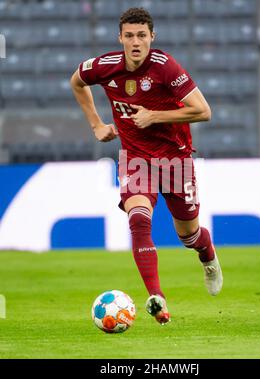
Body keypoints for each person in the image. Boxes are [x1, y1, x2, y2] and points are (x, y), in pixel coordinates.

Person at [70, 7, 223, 325]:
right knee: (138, 220)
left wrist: (155, 116)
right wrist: (97, 124)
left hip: (176, 160)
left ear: (152, 37)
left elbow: (203, 111)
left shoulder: (165, 68)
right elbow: (77, 81)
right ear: (120, 38)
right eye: (129, 36)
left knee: (189, 236)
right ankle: (157, 298)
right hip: (136, 159)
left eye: (142, 35)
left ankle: (207, 256)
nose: (135, 42)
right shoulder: (105, 66)